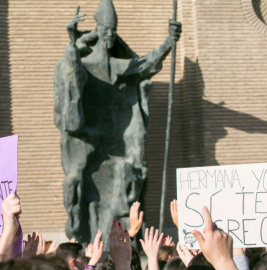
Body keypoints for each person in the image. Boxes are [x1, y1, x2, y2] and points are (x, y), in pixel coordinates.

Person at [54, 0, 182, 245]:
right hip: (92, 144)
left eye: (113, 29)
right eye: (105, 29)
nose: (110, 34)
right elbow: (71, 81)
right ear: (98, 30)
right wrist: (72, 43)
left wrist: (169, 41)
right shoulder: (85, 63)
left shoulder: (122, 65)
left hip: (119, 143)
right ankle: (88, 241)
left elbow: (147, 64)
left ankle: (125, 241)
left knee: (125, 191)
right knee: (85, 192)